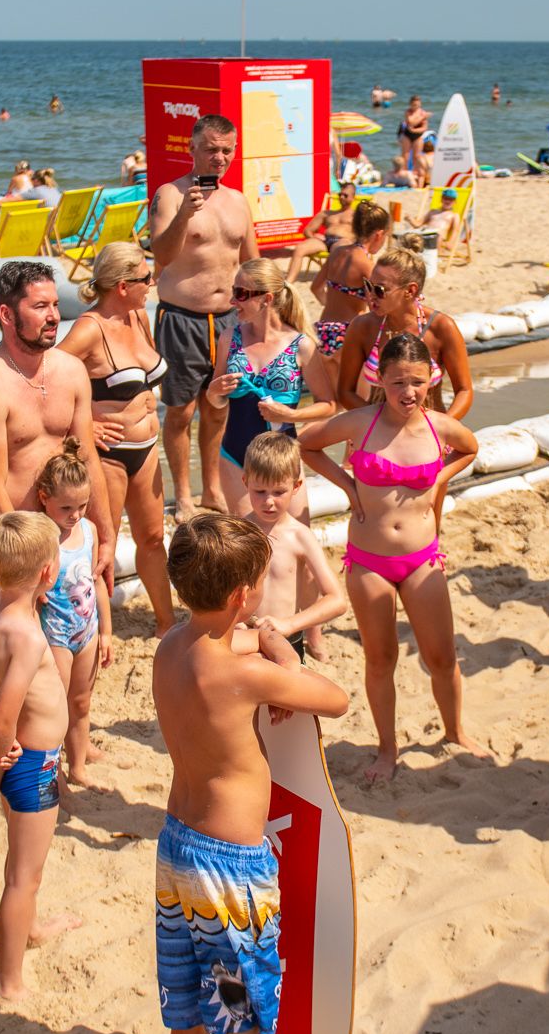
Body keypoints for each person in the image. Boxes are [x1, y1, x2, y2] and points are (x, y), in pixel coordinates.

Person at [153, 513, 349, 1034]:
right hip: (230, 875)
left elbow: (218, 650)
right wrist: (282, 653)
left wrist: (251, 640)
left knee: (187, 995)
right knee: (238, 1019)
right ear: (242, 594)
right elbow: (334, 699)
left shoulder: (171, 647)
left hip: (177, 852)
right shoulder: (245, 675)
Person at [0, 261, 115, 797]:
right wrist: (24, 563)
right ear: (7, 314)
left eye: (54, 304)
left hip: (61, 527)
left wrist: (105, 532)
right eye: (40, 306)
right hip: (0, 536)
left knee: (65, 645)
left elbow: (87, 457)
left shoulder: (69, 371)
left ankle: (65, 745)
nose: (54, 315)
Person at [301, 333, 480, 783]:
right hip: (368, 562)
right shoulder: (359, 422)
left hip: (423, 559)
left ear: (430, 379)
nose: (409, 391)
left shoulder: (441, 427)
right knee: (381, 660)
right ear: (380, 379)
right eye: (398, 382)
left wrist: (439, 478)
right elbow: (307, 445)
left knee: (442, 658)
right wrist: (347, 486)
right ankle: (387, 749)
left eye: (417, 381)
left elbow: (471, 449)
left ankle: (455, 732)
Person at [0, 512, 81, 999]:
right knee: (22, 878)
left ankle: (29, 929)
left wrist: (0, 754)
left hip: (24, 761)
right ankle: (8, 983)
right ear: (48, 573)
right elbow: (0, 720)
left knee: (21, 861)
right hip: (32, 766)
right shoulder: (29, 638)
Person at [58, 242, 177, 633]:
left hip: (146, 448)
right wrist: (87, 421)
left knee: (153, 537)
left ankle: (165, 624)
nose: (152, 283)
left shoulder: (138, 317)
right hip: (108, 453)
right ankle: (96, 632)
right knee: (99, 545)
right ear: (122, 286)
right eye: (145, 277)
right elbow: (48, 375)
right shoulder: (89, 329)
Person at [149, 114, 258, 518]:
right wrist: (183, 215)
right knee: (181, 411)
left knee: (218, 407)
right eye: (211, 149)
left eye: (227, 150)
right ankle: (183, 494)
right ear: (191, 148)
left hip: (229, 319)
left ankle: (212, 488)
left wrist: (266, 312)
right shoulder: (170, 195)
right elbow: (161, 255)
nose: (219, 158)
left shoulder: (238, 201)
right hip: (182, 319)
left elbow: (252, 262)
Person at [205, 259, 336, 516]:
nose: (232, 301)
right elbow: (216, 402)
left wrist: (291, 415)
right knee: (248, 538)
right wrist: (214, 392)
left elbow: (328, 405)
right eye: (233, 291)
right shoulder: (230, 338)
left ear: (266, 299)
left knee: (295, 535)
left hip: (284, 460)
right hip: (234, 457)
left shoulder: (301, 345)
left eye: (241, 293)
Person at [33, 441, 113, 786]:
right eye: (66, 507)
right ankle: (55, 775)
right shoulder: (42, 537)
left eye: (82, 505)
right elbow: (29, 593)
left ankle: (77, 766)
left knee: (81, 702)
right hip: (56, 635)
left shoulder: (89, 531)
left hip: (87, 630)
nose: (75, 514)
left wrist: (106, 631)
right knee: (54, 708)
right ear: (43, 498)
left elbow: (96, 582)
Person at [240, 432, 347, 661]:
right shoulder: (237, 532)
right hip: (243, 639)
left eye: (279, 492)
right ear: (245, 482)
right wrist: (232, 621)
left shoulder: (300, 536)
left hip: (286, 640)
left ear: (296, 486)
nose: (269, 501)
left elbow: (337, 600)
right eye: (260, 491)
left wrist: (289, 624)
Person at [335, 246, 474, 419]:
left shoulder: (441, 327)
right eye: (368, 286)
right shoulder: (362, 327)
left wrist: (442, 426)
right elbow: (345, 392)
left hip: (430, 429)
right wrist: (378, 425)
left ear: (410, 291)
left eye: (380, 290)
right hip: (376, 428)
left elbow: (464, 390)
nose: (371, 295)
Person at [310, 200, 387, 358]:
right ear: (379, 235)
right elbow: (377, 308)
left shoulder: (337, 253)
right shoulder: (366, 265)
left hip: (323, 330)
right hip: (347, 333)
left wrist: (330, 303)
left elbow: (315, 288)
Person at [284, 175, 360, 286]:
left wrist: (354, 242)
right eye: (340, 194)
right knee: (299, 249)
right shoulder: (327, 214)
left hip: (343, 242)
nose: (341, 197)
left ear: (353, 197)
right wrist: (314, 237)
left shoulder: (356, 215)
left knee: (338, 250)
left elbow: (365, 234)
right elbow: (307, 230)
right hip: (324, 241)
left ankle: (333, 283)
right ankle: (288, 283)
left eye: (345, 195)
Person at [396, 95, 430, 169]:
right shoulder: (408, 112)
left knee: (416, 156)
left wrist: (414, 130)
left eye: (417, 104)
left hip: (418, 136)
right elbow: (410, 122)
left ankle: (415, 172)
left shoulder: (422, 112)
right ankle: (405, 171)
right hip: (407, 135)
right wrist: (422, 117)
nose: (415, 106)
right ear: (410, 104)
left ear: (420, 104)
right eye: (413, 105)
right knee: (405, 156)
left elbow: (424, 128)